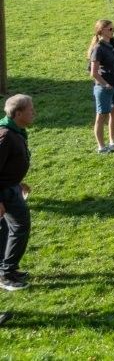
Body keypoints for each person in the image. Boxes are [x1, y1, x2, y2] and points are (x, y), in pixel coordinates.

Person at [0, 95, 35, 291]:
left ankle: (6, 269)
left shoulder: (16, 131)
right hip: (5, 192)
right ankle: (6, 274)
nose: (34, 113)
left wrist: (18, 181)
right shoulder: (5, 135)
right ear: (18, 113)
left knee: (7, 229)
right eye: (30, 110)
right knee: (20, 226)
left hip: (11, 187)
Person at [88, 18, 114, 153]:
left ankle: (113, 142)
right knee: (101, 115)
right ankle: (101, 146)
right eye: (110, 29)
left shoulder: (112, 45)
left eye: (113, 28)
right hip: (104, 87)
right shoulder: (98, 48)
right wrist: (105, 84)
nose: (113, 31)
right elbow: (94, 72)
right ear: (101, 31)